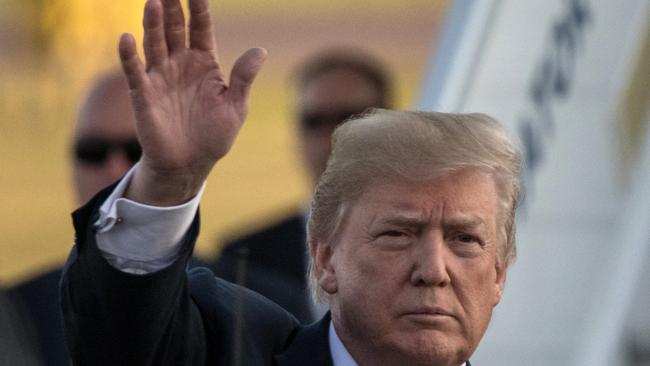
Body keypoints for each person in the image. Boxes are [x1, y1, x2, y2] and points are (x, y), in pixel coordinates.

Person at [61, 1, 521, 365]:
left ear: (498, 274)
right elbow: (125, 337)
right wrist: (166, 183)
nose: (433, 270)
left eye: (465, 239)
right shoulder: (232, 348)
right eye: (397, 234)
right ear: (324, 258)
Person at [209, 47, 393, 323]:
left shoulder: (432, 245)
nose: (332, 135)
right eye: (314, 121)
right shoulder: (243, 260)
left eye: (351, 118)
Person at [8, 70, 140, 366]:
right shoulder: (15, 317)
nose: (114, 171)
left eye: (137, 151)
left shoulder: (249, 309)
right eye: (93, 152)